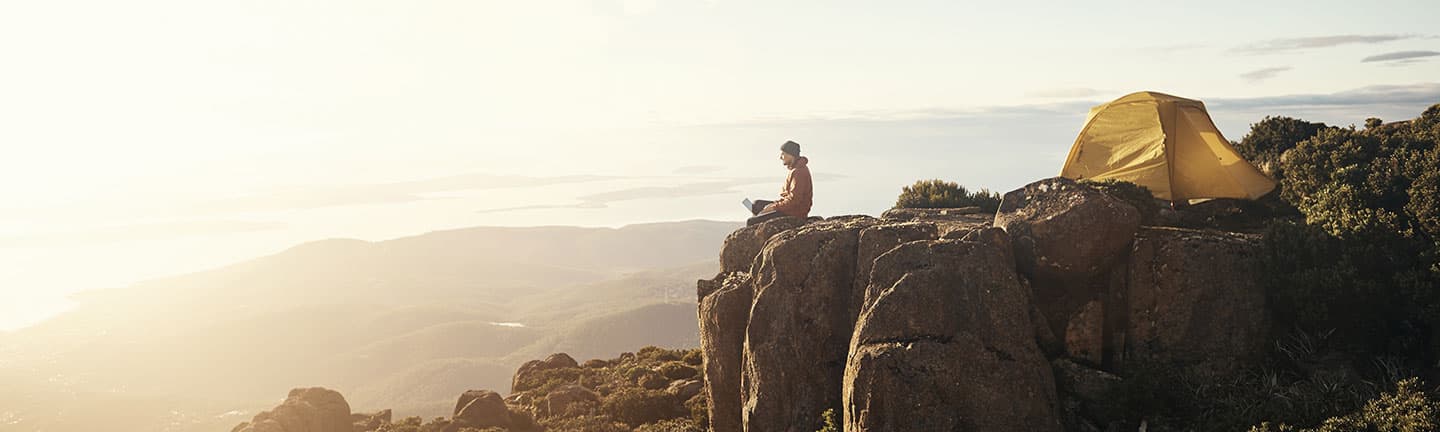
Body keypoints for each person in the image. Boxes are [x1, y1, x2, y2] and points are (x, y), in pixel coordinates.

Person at [746, 140, 813, 226]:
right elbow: (789, 198)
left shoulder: (799, 172)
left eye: (783, 154)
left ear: (791, 155)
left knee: (750, 222)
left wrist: (774, 207)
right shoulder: (795, 169)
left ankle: (758, 222)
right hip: (790, 208)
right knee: (756, 204)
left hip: (794, 212)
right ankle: (760, 219)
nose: (781, 157)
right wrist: (773, 206)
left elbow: (794, 200)